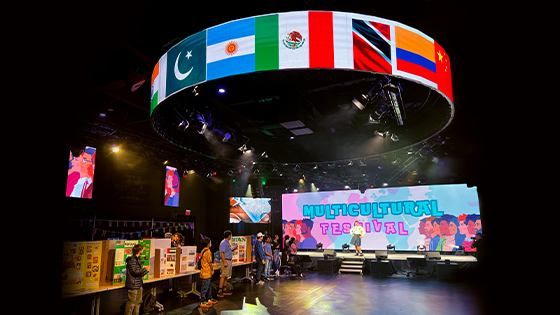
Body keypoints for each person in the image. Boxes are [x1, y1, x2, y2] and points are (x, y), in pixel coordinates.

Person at [124, 244, 149, 315]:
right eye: (142, 249)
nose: (143, 251)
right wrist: (144, 269)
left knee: (138, 303)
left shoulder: (137, 260)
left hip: (139, 284)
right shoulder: (132, 260)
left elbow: (138, 272)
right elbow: (134, 272)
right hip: (133, 285)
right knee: (131, 304)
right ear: (139, 250)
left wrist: (144, 272)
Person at [199, 237, 218, 308]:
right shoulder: (208, 252)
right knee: (205, 287)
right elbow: (210, 263)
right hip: (206, 271)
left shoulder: (203, 250)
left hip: (205, 271)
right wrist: (212, 269)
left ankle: (209, 298)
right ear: (207, 244)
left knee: (209, 286)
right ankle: (203, 301)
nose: (211, 244)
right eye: (210, 242)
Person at [218, 230, 237, 298]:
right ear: (229, 236)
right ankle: (220, 291)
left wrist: (234, 248)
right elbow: (222, 253)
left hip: (228, 260)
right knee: (223, 275)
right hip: (225, 260)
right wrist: (224, 262)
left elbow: (227, 250)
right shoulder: (223, 243)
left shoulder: (227, 243)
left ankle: (224, 289)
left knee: (226, 275)